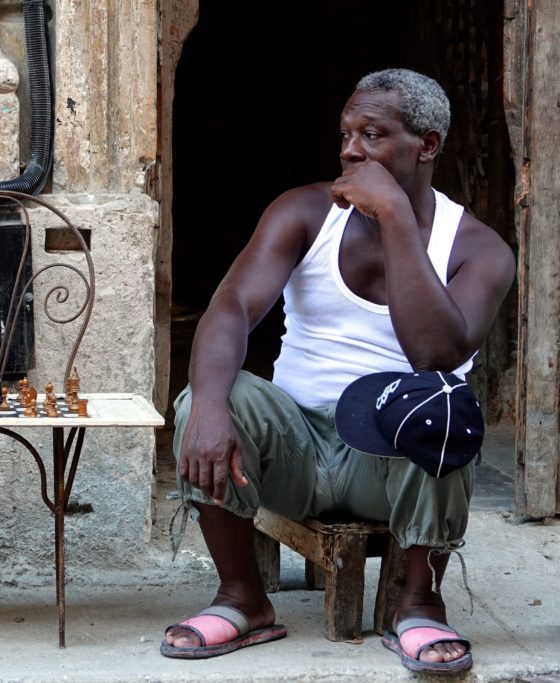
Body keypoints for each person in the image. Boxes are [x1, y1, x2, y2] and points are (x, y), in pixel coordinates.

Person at [161, 68, 515, 675]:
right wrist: (213, 408)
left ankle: (420, 605)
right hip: (293, 448)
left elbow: (436, 355)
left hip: (390, 457)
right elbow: (232, 307)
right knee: (208, 398)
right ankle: (242, 598)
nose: (351, 149)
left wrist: (397, 219)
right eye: (346, 133)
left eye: (372, 134)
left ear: (426, 146)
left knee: (443, 404)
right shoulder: (304, 210)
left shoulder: (478, 248)